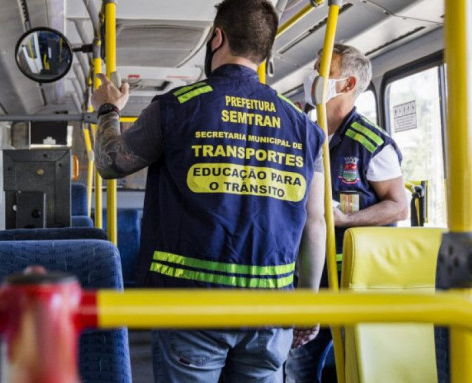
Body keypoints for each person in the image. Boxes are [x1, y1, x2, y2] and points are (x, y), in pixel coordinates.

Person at [91, 0, 328, 380]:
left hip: (192, 305)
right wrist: (309, 302)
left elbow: (111, 163)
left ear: (217, 38)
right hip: (272, 309)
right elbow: (315, 223)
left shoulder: (176, 107)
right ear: (265, 50)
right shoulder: (303, 126)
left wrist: (107, 111)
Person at [285, 44, 408, 383]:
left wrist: (346, 219)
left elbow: (398, 205)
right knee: (296, 367)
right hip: (310, 275)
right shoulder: (306, 135)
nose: (315, 78)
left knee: (354, 367)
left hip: (355, 281)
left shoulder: (371, 144)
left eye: (324, 70)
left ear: (348, 84)